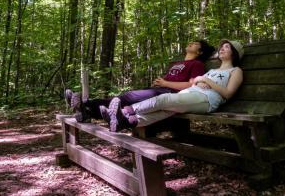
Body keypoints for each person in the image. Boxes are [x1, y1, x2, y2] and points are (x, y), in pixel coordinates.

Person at [102, 39, 244, 132]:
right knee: (164, 111)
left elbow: (228, 93)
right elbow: (195, 81)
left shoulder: (235, 71)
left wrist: (206, 81)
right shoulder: (213, 70)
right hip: (191, 94)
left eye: (227, 47)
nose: (222, 49)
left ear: (235, 53)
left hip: (207, 100)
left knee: (164, 99)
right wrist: (200, 81)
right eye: (222, 47)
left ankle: (125, 111)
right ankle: (126, 122)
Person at [65, 40, 216, 122]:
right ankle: (88, 112)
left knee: (126, 98)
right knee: (125, 99)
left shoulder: (197, 64)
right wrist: (159, 82)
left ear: (199, 52)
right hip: (159, 89)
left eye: (196, 43)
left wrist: (165, 84)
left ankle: (86, 105)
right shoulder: (177, 63)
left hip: (169, 94)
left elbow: (191, 85)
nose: (191, 42)